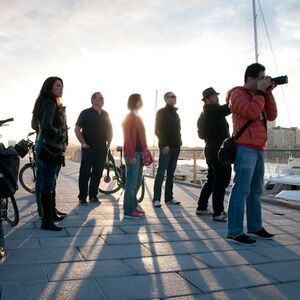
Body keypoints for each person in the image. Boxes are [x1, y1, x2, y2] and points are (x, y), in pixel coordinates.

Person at [226, 63, 277, 245]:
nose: (264, 80)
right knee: (241, 190)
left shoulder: (259, 95)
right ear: (250, 79)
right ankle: (234, 231)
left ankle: (255, 227)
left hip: (258, 148)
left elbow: (271, 115)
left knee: (255, 191)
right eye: (261, 78)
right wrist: (261, 93)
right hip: (245, 147)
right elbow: (250, 112)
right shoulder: (237, 94)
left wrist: (268, 93)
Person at [32, 76, 68, 231]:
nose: (61, 88)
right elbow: (46, 127)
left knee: (50, 181)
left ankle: (51, 213)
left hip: (47, 146)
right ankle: (46, 221)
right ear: (50, 87)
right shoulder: (50, 103)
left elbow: (37, 125)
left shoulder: (46, 103)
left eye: (62, 86)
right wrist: (60, 134)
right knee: (47, 184)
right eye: (58, 85)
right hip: (50, 147)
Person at [196, 87, 232, 222]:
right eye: (213, 96)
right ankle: (218, 212)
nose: (216, 97)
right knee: (220, 182)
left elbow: (200, 135)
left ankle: (202, 207)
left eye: (216, 95)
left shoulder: (203, 115)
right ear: (206, 99)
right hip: (219, 153)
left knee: (211, 180)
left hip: (210, 151)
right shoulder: (214, 110)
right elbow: (228, 108)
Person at [75, 92, 112, 205]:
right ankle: (82, 197)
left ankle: (93, 196)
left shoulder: (106, 114)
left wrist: (108, 144)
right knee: (85, 173)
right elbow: (77, 129)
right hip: (89, 148)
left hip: (102, 148)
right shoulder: (85, 113)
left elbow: (110, 130)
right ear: (93, 100)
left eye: (103, 97)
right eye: (100, 98)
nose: (102, 99)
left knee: (98, 173)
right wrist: (83, 143)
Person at [122, 94, 150, 218]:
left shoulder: (138, 117)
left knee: (138, 182)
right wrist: (131, 155)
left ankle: (132, 207)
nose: (141, 102)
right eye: (140, 100)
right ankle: (128, 211)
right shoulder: (129, 117)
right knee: (131, 184)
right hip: (132, 153)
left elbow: (142, 137)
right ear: (135, 102)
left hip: (140, 153)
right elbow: (127, 138)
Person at [153, 91, 182, 207]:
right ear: (165, 99)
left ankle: (169, 198)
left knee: (171, 174)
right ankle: (156, 199)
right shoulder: (161, 112)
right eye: (171, 97)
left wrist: (179, 143)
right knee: (161, 172)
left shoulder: (176, 114)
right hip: (166, 147)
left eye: (175, 96)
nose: (174, 98)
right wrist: (164, 144)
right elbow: (158, 129)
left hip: (176, 147)